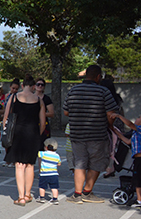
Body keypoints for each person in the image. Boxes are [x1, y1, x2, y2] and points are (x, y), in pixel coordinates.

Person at [63, 65, 119, 204]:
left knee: (80, 163)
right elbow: (111, 114)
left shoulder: (73, 91)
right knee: (96, 163)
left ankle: (76, 194)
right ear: (98, 77)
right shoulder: (103, 91)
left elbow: (66, 112)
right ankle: (87, 192)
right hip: (97, 134)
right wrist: (110, 127)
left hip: (76, 134)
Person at [4, 76, 46, 206]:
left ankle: (21, 197)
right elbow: (43, 122)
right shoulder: (39, 100)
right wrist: (37, 134)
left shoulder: (14, 97)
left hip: (17, 133)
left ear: (23, 85)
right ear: (33, 86)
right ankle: (28, 194)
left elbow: (6, 117)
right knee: (30, 165)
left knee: (19, 165)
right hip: (32, 134)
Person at [109, 113, 141, 208]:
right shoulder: (136, 133)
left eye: (139, 118)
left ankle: (139, 200)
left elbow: (131, 125)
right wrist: (115, 131)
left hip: (140, 159)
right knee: (137, 178)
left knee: (138, 180)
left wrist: (119, 116)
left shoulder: (139, 129)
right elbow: (127, 141)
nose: (137, 119)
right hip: (137, 159)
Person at [37, 138, 61, 205]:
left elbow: (38, 155)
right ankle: (55, 198)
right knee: (54, 187)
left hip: (44, 174)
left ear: (46, 147)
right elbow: (59, 163)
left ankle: (42, 198)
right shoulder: (57, 155)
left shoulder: (43, 154)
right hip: (54, 174)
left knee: (42, 186)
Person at [34, 78, 54, 150]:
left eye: (42, 85)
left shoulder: (46, 99)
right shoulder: (31, 97)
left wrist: (41, 114)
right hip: (32, 124)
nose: (40, 86)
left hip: (43, 124)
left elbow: (51, 113)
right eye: (38, 84)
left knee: (43, 147)